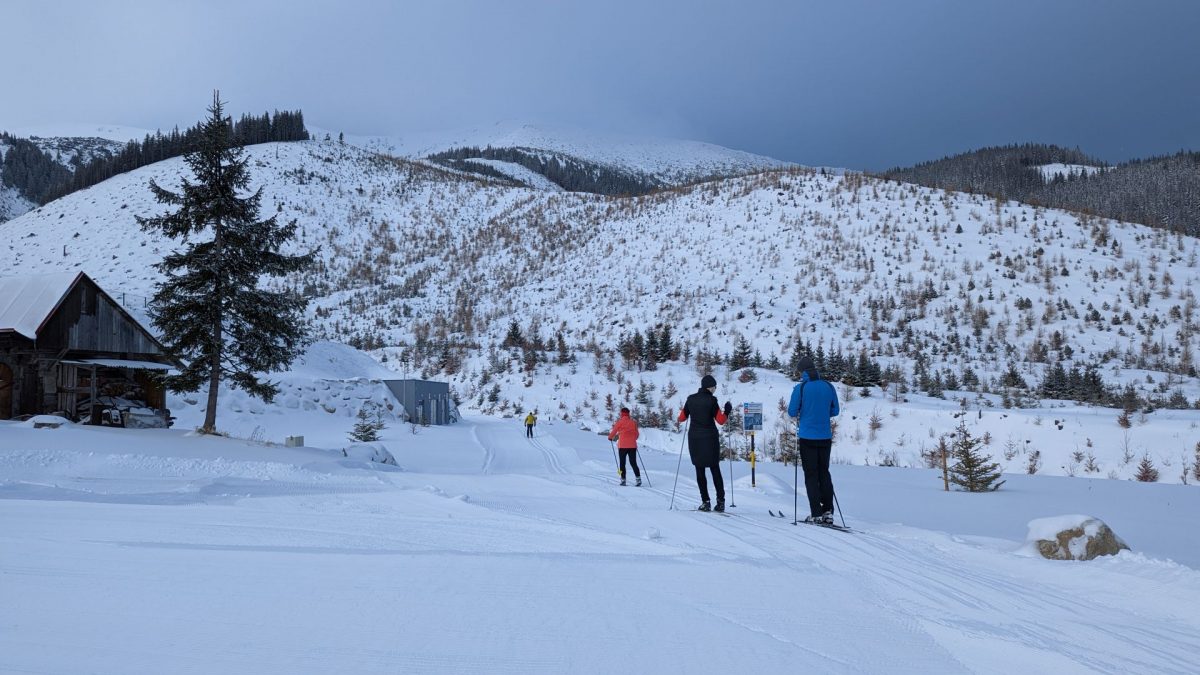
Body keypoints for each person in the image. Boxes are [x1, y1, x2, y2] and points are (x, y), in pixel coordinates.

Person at [787, 356, 841, 524]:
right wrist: (822, 413)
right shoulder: (828, 386)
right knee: (824, 472)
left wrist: (805, 413)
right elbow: (835, 410)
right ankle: (828, 512)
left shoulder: (801, 388)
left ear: (802, 371)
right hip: (825, 436)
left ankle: (816, 513)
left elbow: (791, 411)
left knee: (811, 474)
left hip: (807, 436)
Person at [678, 374, 731, 511]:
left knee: (699, 470)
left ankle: (705, 501)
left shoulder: (690, 399)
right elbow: (720, 420)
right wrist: (727, 411)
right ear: (710, 387)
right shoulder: (712, 401)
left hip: (695, 439)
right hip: (710, 439)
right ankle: (720, 502)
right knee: (715, 469)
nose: (715, 389)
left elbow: (681, 418)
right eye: (715, 387)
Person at [608, 407, 642, 486]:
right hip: (632, 446)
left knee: (622, 463)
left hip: (622, 446)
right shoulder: (633, 422)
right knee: (633, 463)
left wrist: (610, 437)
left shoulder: (619, 422)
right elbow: (637, 434)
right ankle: (638, 479)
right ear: (628, 413)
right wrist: (633, 439)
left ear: (622, 413)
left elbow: (614, 431)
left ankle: (623, 480)